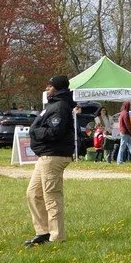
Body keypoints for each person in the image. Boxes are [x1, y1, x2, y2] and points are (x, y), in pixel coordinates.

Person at [24, 76, 77, 246]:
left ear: (58, 88)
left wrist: (36, 132)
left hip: (54, 156)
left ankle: (57, 237)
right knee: (33, 193)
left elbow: (56, 132)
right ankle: (43, 232)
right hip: (45, 156)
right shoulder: (53, 105)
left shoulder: (61, 106)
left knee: (51, 197)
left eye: (50, 86)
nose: (47, 88)